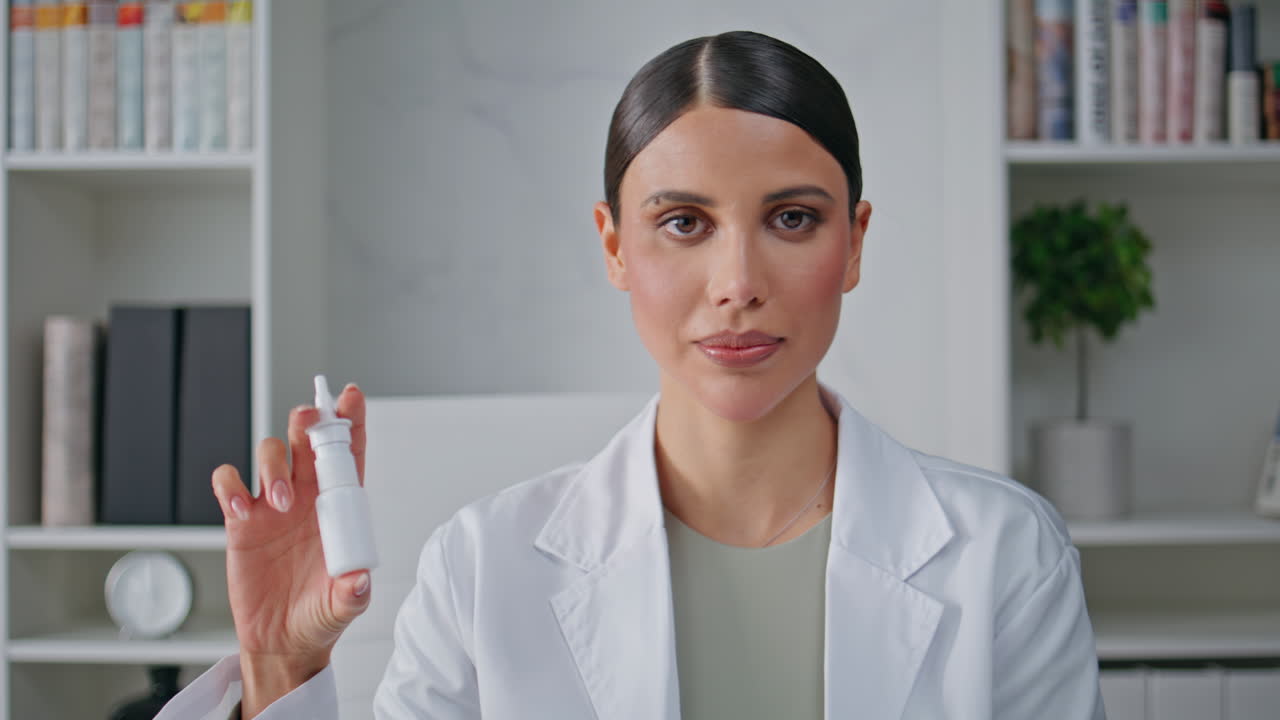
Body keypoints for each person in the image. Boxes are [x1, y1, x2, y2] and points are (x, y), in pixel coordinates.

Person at [157, 30, 1104, 720]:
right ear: (615, 246)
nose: (736, 285)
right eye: (684, 223)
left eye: (792, 219)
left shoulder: (1004, 555)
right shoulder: (480, 566)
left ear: (854, 243)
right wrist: (279, 670)